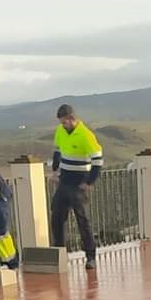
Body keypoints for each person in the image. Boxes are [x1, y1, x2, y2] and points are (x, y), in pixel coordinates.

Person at [51, 104, 103, 269]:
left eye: (65, 123)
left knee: (83, 220)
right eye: (61, 123)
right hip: (64, 180)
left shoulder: (86, 135)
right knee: (57, 216)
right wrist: (54, 171)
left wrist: (89, 182)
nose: (62, 126)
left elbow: (98, 160)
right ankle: (59, 254)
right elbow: (58, 151)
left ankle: (90, 256)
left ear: (72, 119)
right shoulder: (60, 131)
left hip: (79, 182)